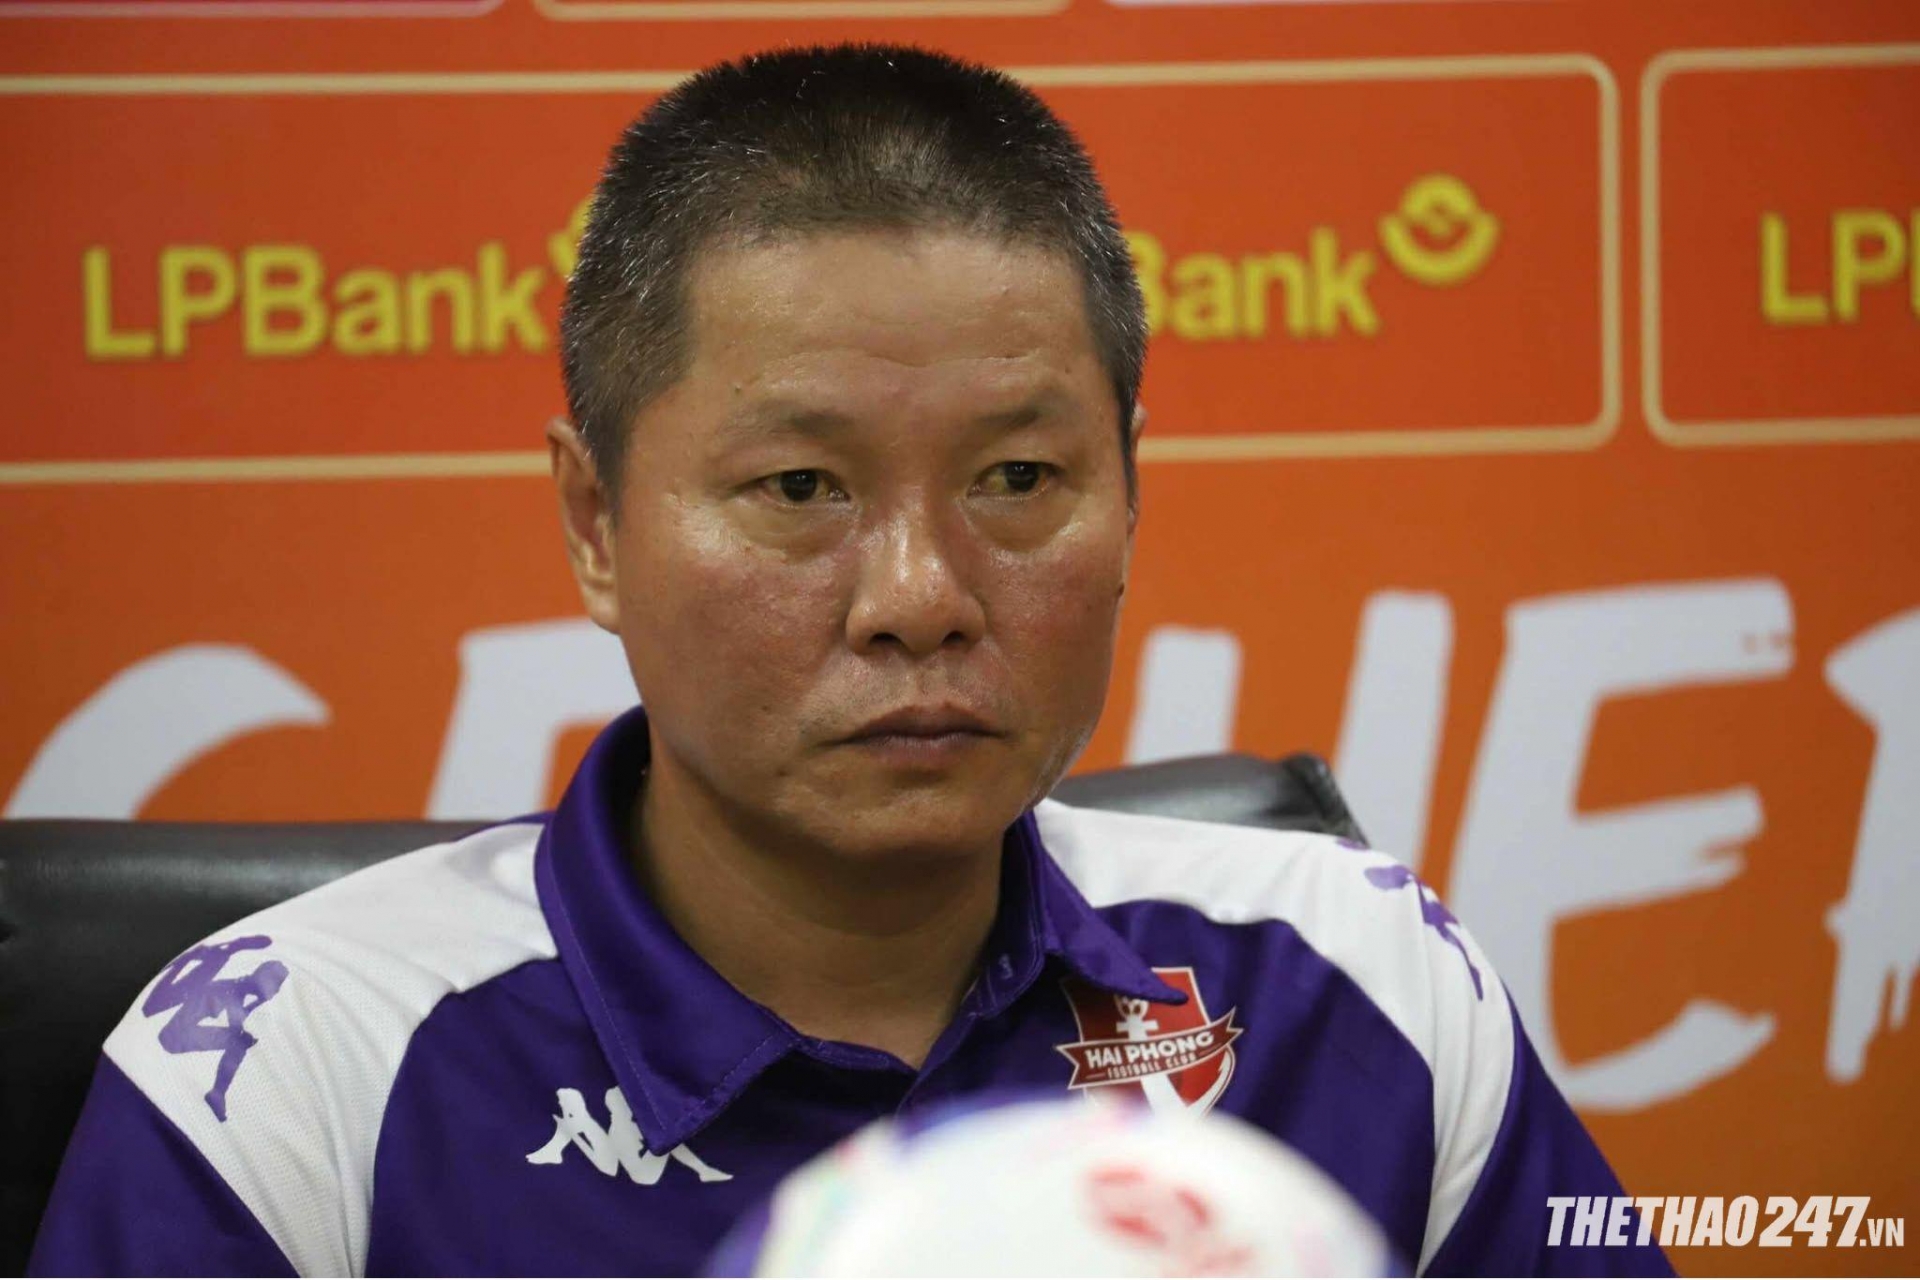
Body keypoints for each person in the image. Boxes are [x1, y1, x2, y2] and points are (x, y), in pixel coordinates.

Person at [30, 44, 1670, 1277]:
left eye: (1017, 478)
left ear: (1130, 491)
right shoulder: (296, 1074)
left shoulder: (1356, 988)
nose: (918, 597)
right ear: (596, 524)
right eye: (801, 488)